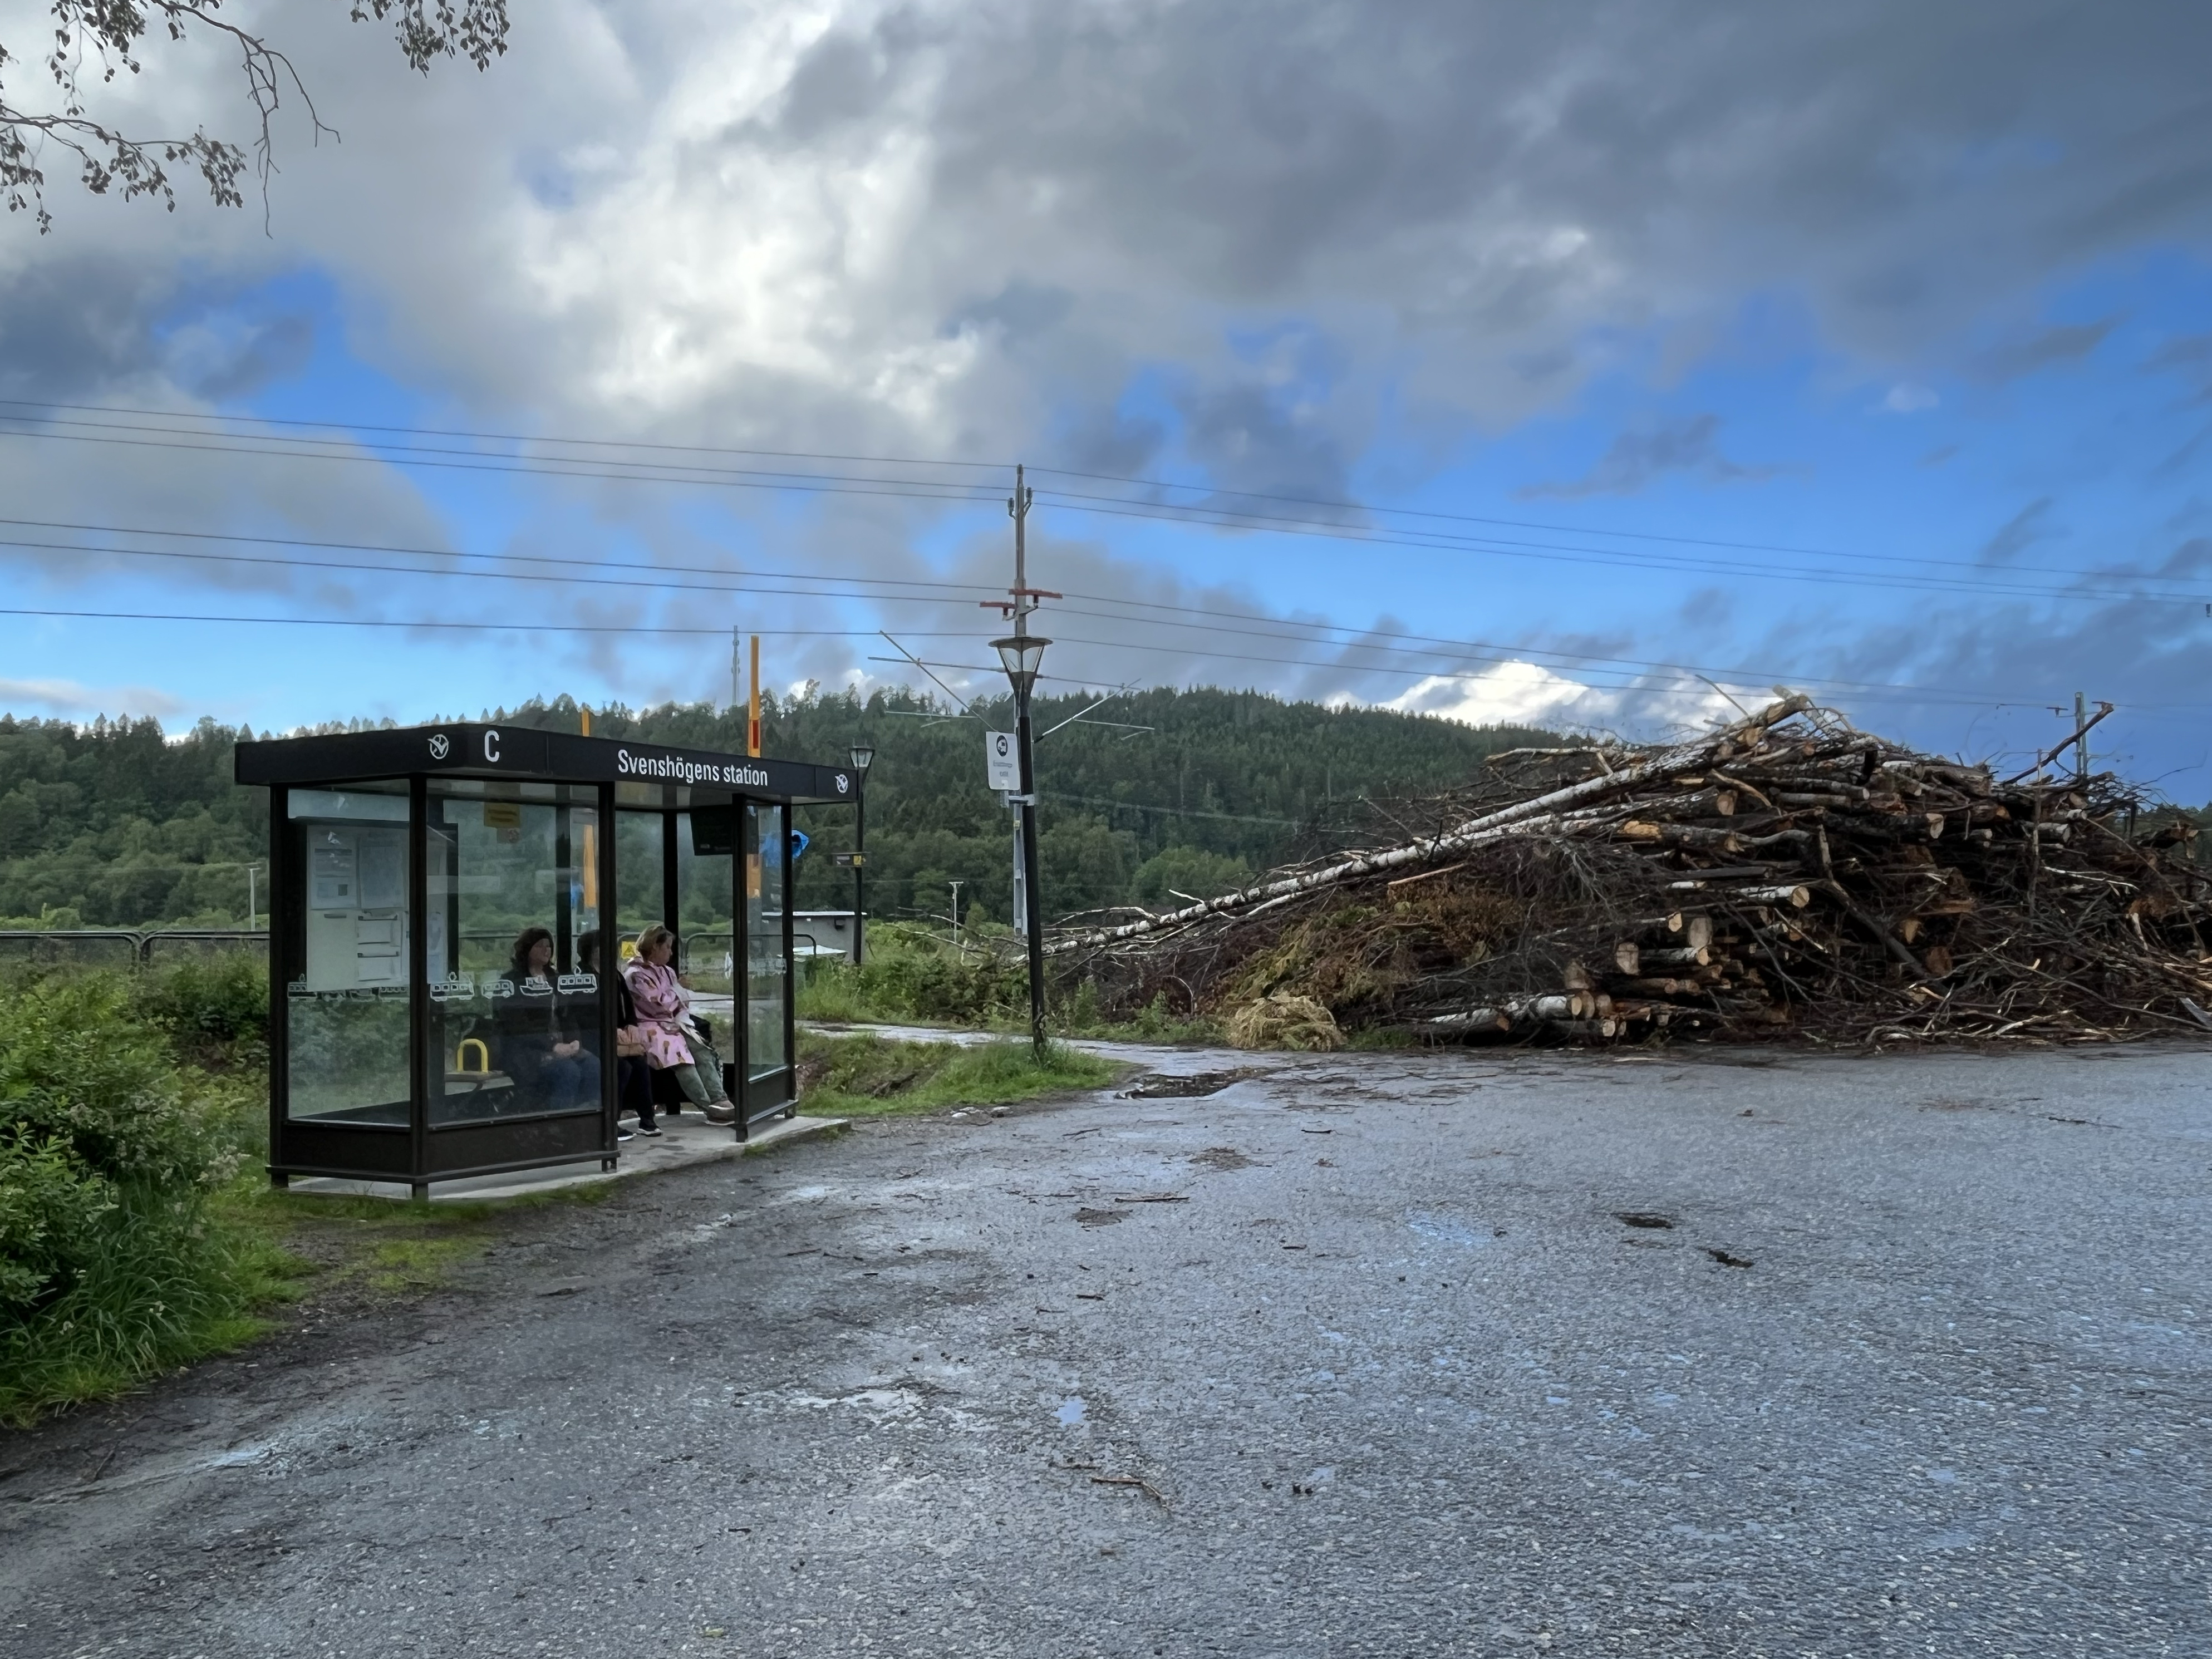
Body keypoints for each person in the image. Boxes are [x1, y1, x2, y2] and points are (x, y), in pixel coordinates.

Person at [623, 924, 736, 1124]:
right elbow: (655, 1004)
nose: (671, 952)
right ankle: (709, 1107)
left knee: (702, 1051)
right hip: (650, 1028)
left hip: (673, 1024)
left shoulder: (668, 972)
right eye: (667, 947)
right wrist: (678, 990)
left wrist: (680, 1013)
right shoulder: (635, 974)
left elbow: (680, 1005)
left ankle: (720, 1098)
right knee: (682, 1059)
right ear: (655, 947)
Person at [495, 926, 600, 1114]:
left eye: (549, 946)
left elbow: (567, 1015)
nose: (547, 950)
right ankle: (557, 1122)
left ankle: (586, 1119)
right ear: (526, 950)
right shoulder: (512, 980)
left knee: (593, 1065)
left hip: (562, 1045)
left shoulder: (554, 978)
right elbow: (518, 1026)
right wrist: (552, 1046)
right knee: (568, 1071)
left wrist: (575, 1041)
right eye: (540, 946)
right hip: (528, 1050)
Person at [578, 929, 657, 1140]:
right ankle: (611, 1122)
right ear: (590, 951)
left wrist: (631, 1025)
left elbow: (627, 1005)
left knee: (640, 1062)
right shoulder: (582, 976)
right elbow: (581, 1014)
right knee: (620, 1067)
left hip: (619, 1035)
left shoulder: (614, 974)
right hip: (592, 1036)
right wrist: (609, 1029)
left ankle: (647, 1120)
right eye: (600, 947)